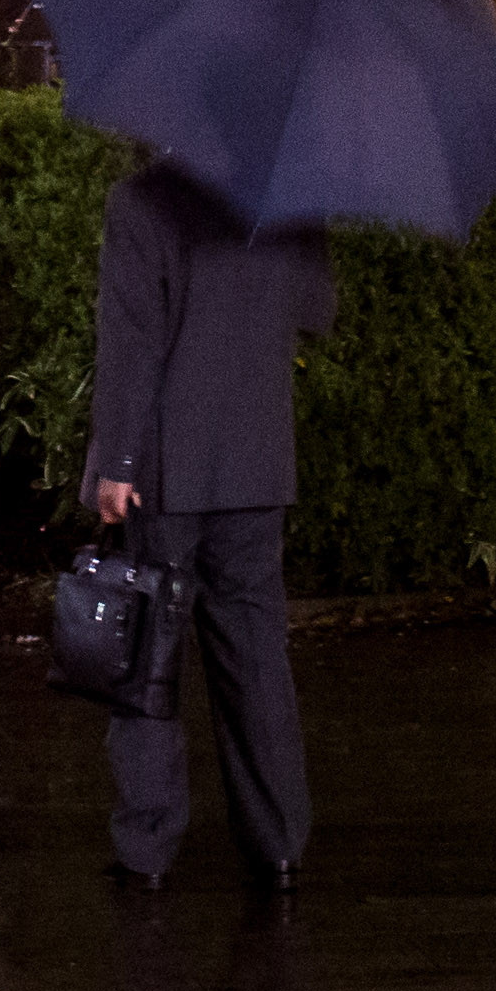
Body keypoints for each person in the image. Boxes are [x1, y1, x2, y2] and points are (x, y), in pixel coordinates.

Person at [84, 158, 338, 893]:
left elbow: (131, 341)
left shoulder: (141, 203)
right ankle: (279, 840)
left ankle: (148, 847)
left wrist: (117, 463)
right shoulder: (291, 197)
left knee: (146, 659)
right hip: (258, 464)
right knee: (257, 656)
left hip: (164, 469)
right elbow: (317, 312)